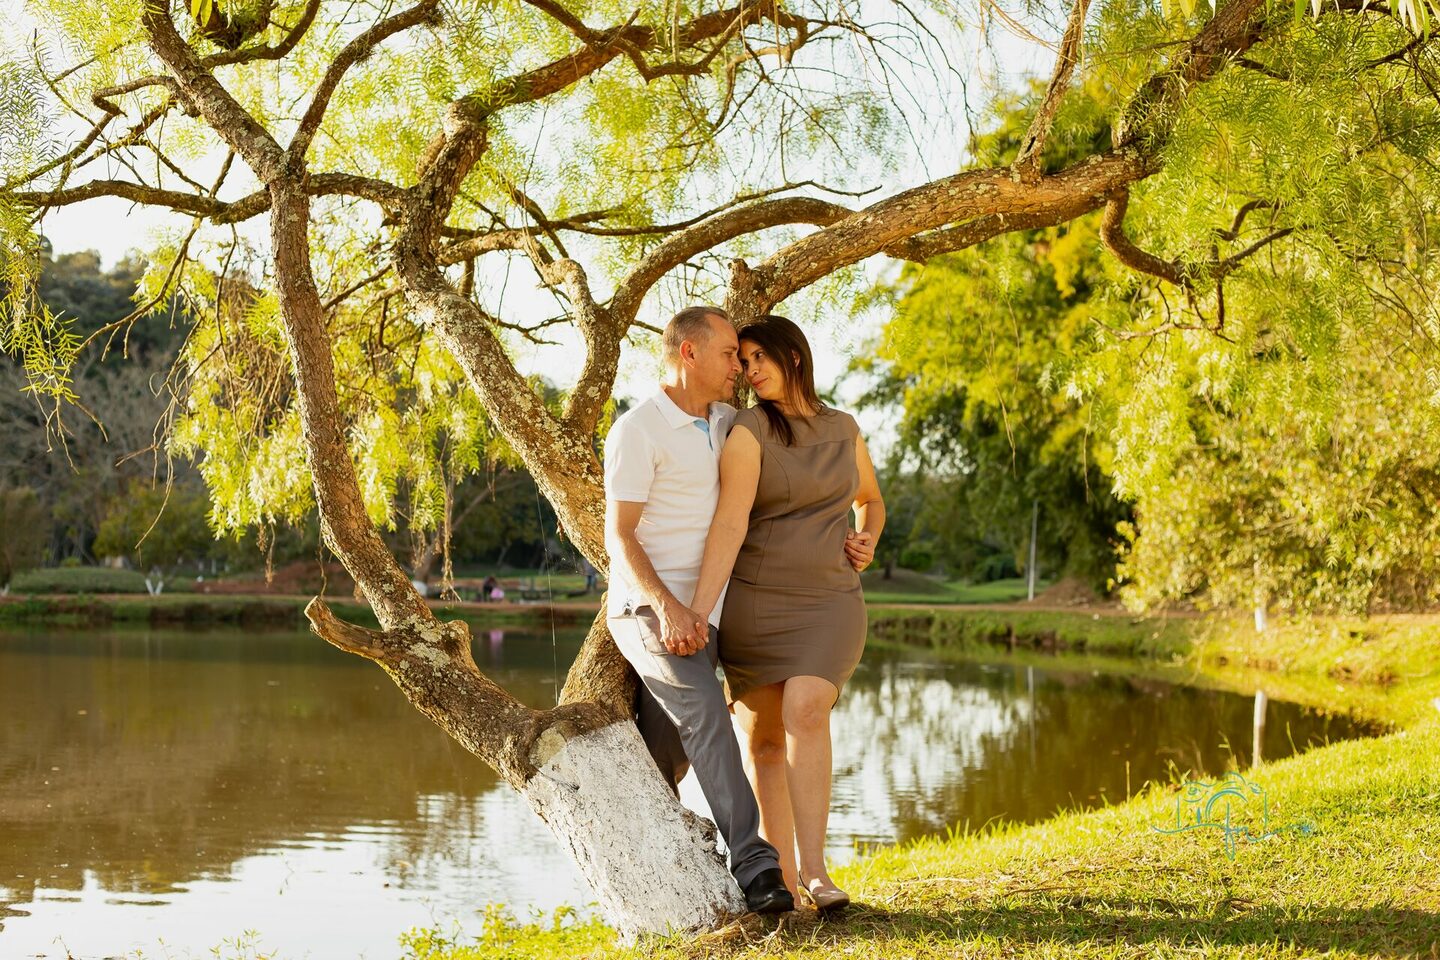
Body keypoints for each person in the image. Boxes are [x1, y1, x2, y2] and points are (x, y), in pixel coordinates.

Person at [689, 314, 885, 913]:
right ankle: (784, 877)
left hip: (830, 601)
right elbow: (729, 522)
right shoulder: (749, 429)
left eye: (756, 358)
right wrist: (699, 612)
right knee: (766, 743)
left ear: (792, 356)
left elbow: (870, 501)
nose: (748, 372)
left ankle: (819, 872)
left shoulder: (845, 428)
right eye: (741, 363)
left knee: (806, 708)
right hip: (757, 602)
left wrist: (867, 538)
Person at [603, 305, 793, 915]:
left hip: (713, 609)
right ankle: (757, 866)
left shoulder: (729, 423)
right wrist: (668, 607)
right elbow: (620, 535)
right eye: (729, 354)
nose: (739, 365)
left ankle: (645, 877)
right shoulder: (638, 430)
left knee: (667, 755)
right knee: (708, 717)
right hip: (648, 611)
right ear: (688, 353)